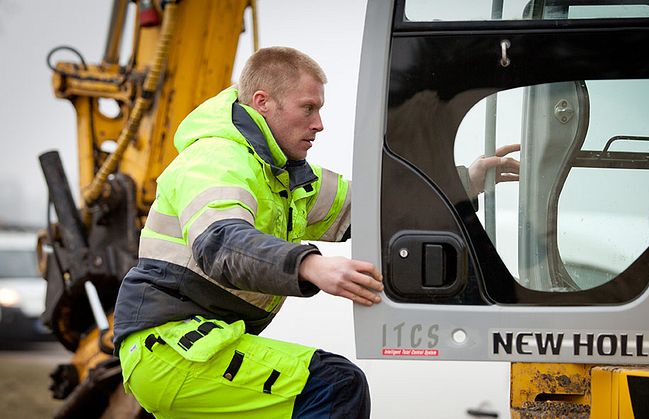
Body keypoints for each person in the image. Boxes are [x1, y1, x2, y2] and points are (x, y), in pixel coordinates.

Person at [113, 46, 518, 419]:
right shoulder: (218, 159)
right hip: (172, 348)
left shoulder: (287, 178)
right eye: (308, 109)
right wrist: (310, 265)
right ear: (262, 103)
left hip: (201, 347)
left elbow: (379, 210)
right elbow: (221, 244)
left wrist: (465, 182)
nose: (319, 124)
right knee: (334, 385)